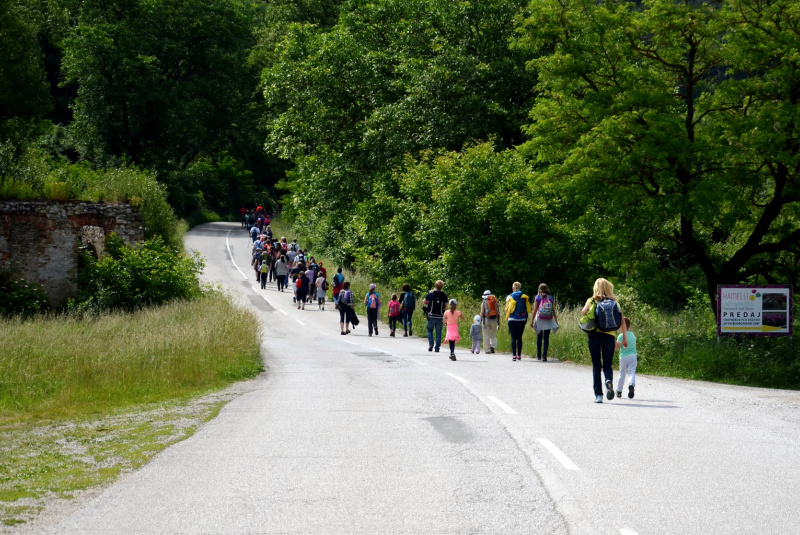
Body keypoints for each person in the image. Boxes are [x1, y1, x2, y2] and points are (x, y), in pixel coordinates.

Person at [581, 278, 628, 403]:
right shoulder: (614, 302)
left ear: (596, 288)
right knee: (608, 365)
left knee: (596, 367)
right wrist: (624, 338)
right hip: (609, 337)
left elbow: (583, 312)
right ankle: (608, 381)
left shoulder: (591, 300)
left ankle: (598, 396)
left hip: (594, 336)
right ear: (608, 288)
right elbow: (622, 321)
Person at [532, 283, 559, 362]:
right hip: (548, 319)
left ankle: (538, 355)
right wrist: (556, 321)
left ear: (539, 289)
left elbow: (535, 310)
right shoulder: (550, 298)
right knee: (546, 337)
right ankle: (545, 355)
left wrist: (532, 321)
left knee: (539, 337)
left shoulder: (537, 297)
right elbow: (553, 311)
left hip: (539, 319)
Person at [505, 282, 531, 361]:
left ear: (513, 288)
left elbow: (507, 308)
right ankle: (519, 355)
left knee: (513, 338)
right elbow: (528, 308)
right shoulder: (524, 297)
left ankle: (514, 355)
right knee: (519, 338)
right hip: (522, 319)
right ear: (520, 288)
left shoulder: (509, 297)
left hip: (512, 319)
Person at [615, 317, 637, 399]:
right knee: (631, 372)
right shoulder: (633, 335)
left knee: (622, 374)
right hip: (633, 356)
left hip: (623, 357)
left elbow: (616, 347)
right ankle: (631, 385)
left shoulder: (621, 336)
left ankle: (619, 391)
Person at [424, 280, 448, 352]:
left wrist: (429, 303)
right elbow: (446, 305)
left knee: (429, 330)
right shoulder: (444, 295)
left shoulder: (430, 294)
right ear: (442, 287)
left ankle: (431, 343)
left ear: (435, 286)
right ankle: (437, 348)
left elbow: (424, 302)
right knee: (438, 332)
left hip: (431, 315)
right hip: (440, 316)